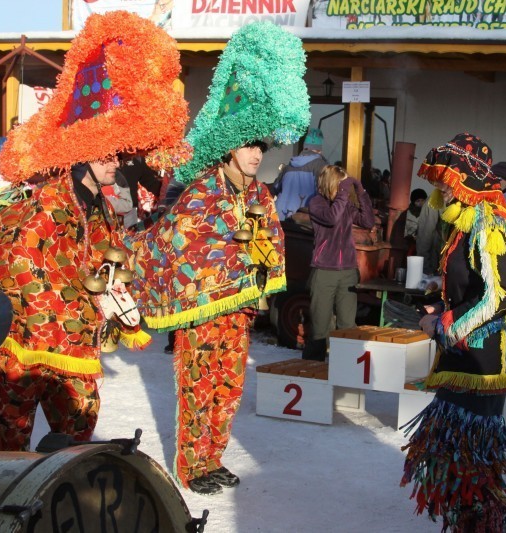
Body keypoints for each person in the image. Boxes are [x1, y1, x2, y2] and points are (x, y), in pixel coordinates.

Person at [0, 11, 187, 452]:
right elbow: (21, 268)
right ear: (82, 154)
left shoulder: (103, 209)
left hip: (78, 352)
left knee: (77, 445)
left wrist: (122, 302)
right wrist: (82, 299)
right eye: (109, 153)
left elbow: (111, 260)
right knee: (9, 455)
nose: (118, 161)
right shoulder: (43, 205)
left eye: (121, 153)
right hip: (24, 355)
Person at [126, 21, 309, 495]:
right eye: (250, 144)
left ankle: (213, 458)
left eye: (262, 146)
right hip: (205, 311)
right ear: (229, 145)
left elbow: (271, 242)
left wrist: (261, 266)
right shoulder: (202, 191)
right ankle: (191, 466)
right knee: (197, 387)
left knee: (228, 388)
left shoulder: (262, 196)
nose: (256, 154)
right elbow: (180, 241)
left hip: (240, 312)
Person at [402, 133, 506, 531]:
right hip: (466, 357)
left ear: (466, 179)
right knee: (457, 462)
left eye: (446, 177)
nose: (440, 185)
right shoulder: (465, 221)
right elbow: (474, 289)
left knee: (460, 462)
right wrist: (441, 303)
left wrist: (440, 325)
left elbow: (499, 300)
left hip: (481, 363)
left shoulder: (488, 222)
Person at [301, 165, 375, 361]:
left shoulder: (345, 205)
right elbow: (332, 218)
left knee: (347, 326)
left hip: (348, 270)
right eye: (341, 185)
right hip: (324, 271)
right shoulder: (316, 203)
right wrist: (344, 193)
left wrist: (361, 192)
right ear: (332, 183)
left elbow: (368, 221)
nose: (344, 189)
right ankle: (311, 371)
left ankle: (346, 368)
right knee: (320, 326)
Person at [271, 127, 327, 221]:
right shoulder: (322, 167)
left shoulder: (289, 166)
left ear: (304, 148)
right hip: (304, 223)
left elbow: (275, 187)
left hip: (281, 219)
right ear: (319, 150)